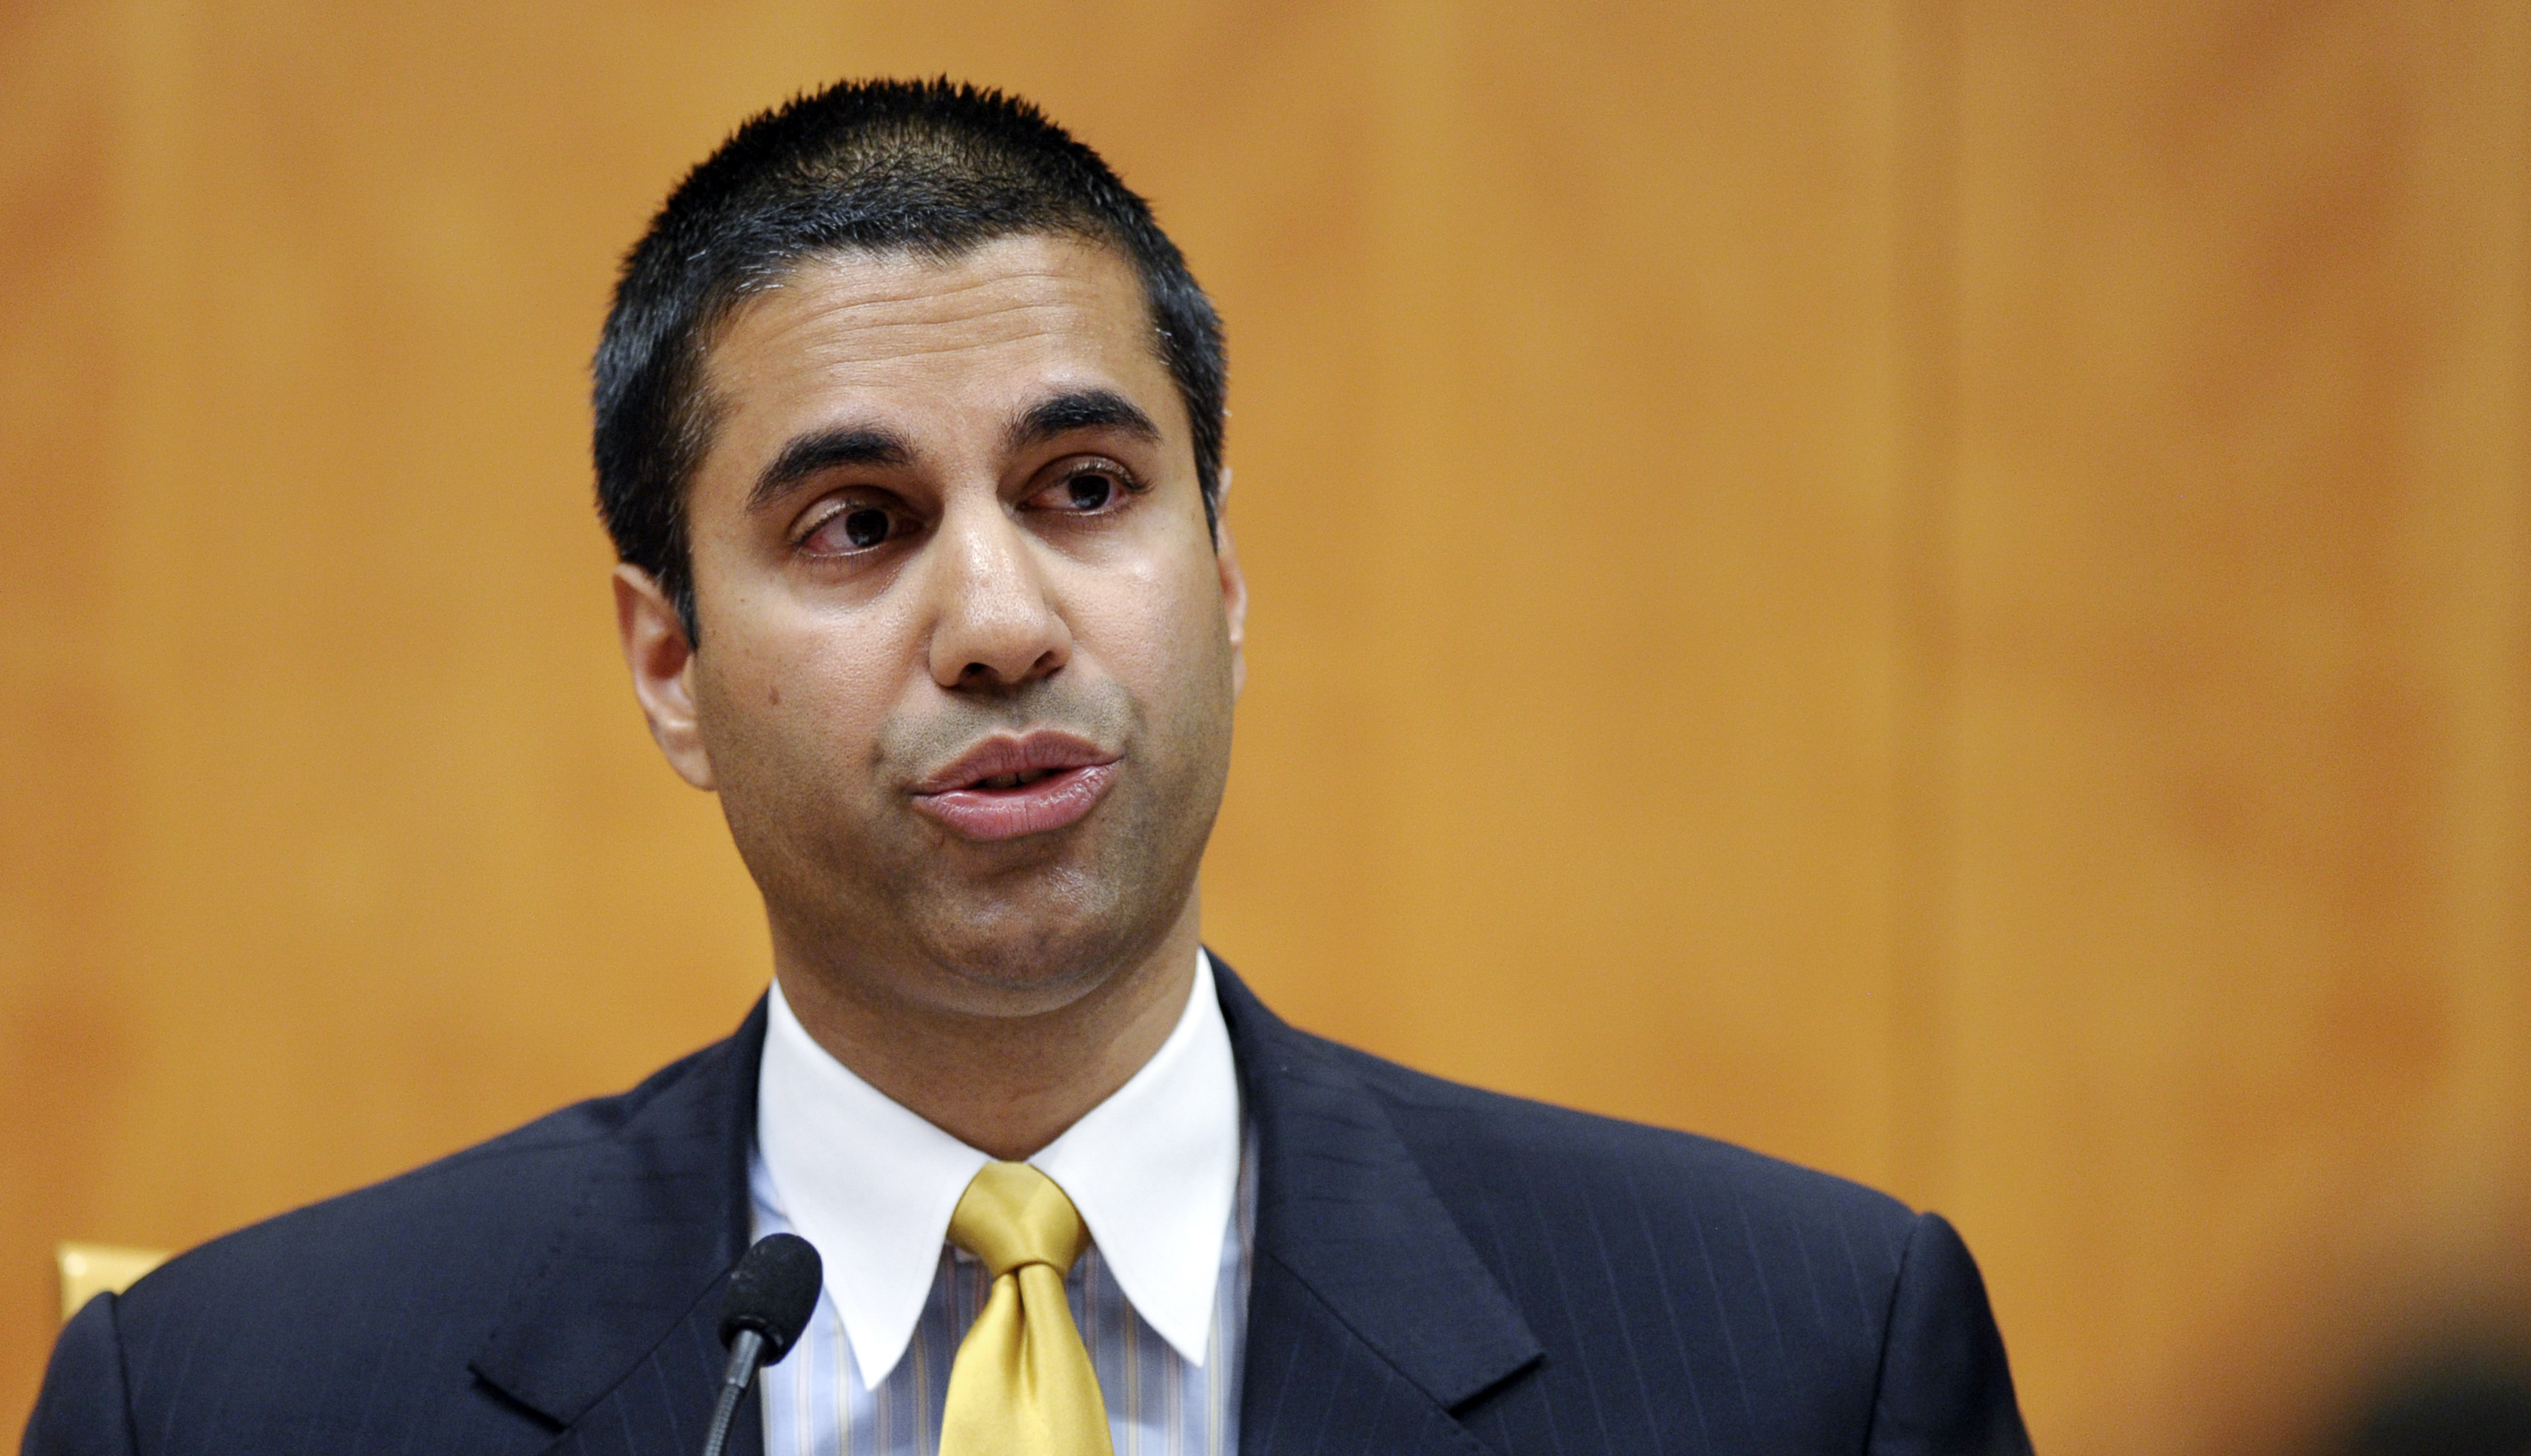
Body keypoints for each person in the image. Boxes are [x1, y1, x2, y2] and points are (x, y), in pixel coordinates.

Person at [23, 78, 2031, 1456]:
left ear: (1223, 574)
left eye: (1084, 489)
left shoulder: (1798, 1357)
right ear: (668, 662)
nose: (999, 619)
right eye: (856, 524)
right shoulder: (228, 1399)